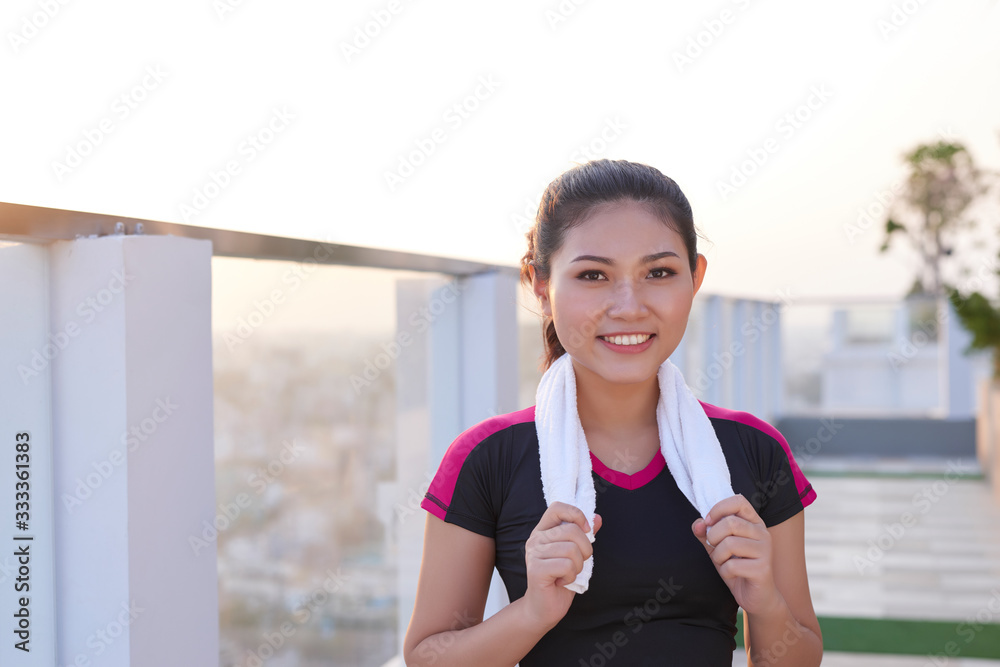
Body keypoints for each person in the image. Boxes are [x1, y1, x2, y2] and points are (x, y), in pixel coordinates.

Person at [403, 159, 822, 666]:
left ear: (696, 277)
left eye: (659, 272)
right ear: (540, 283)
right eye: (594, 275)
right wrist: (535, 611)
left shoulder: (753, 450)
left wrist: (765, 603)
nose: (628, 306)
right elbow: (426, 658)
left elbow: (800, 656)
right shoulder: (487, 457)